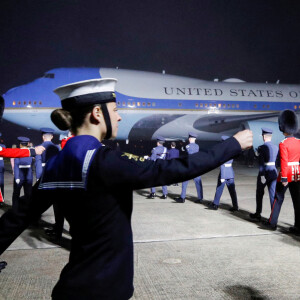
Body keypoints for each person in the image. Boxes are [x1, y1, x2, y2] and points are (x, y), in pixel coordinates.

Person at [0, 78, 252, 300]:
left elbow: (18, 216)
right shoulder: (105, 161)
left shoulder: (57, 163)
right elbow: (171, 169)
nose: (119, 116)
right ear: (97, 113)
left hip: (71, 287)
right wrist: (232, 145)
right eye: (115, 110)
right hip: (106, 290)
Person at [264, 110, 300, 232]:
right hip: (297, 173)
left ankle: (272, 223)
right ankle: (298, 226)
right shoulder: (299, 142)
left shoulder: (283, 143)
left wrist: (284, 177)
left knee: (278, 198)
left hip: (287, 173)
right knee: (297, 200)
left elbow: (284, 162)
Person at [249, 128, 278, 221]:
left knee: (260, 193)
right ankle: (273, 218)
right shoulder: (276, 147)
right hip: (273, 172)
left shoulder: (262, 147)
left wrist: (262, 176)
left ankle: (258, 213)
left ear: (264, 137)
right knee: (273, 195)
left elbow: (261, 164)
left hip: (265, 173)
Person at [208, 136, 238, 211]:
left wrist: (223, 176)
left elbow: (222, 164)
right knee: (232, 190)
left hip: (224, 173)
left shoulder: (223, 151)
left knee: (219, 188)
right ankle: (235, 206)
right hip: (230, 172)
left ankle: (215, 204)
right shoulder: (232, 149)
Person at [175, 132, 203, 203]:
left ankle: (182, 197)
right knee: (198, 182)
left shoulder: (188, 146)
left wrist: (182, 144)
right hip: (196, 166)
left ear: (190, 139)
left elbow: (183, 149)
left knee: (184, 182)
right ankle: (200, 198)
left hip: (190, 167)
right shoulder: (197, 146)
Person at [12, 137, 34, 208]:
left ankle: (15, 209)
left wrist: (17, 177)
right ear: (28, 144)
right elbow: (33, 162)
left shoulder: (18, 152)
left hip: (20, 174)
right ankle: (27, 210)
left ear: (20, 145)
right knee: (28, 194)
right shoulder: (31, 151)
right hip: (29, 175)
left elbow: (16, 164)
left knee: (16, 194)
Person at [0, 134, 6, 207]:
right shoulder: (3, 146)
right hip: (1, 164)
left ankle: (1, 200)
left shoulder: (3, 146)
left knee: (1, 183)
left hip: (0, 165)